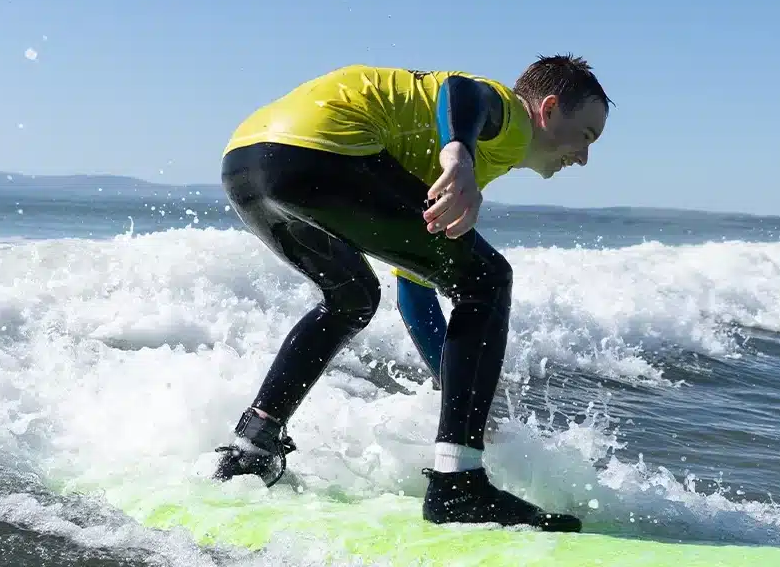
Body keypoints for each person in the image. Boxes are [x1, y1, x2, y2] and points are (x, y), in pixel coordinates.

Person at [213, 58, 611, 532]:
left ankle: (252, 446)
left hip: (247, 162)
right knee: (488, 279)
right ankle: (458, 486)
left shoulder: (452, 155)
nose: (583, 158)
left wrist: (457, 393)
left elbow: (415, 300)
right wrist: (458, 152)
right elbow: (463, 90)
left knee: (353, 296)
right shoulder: (509, 120)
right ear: (547, 110)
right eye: (586, 136)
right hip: (323, 146)